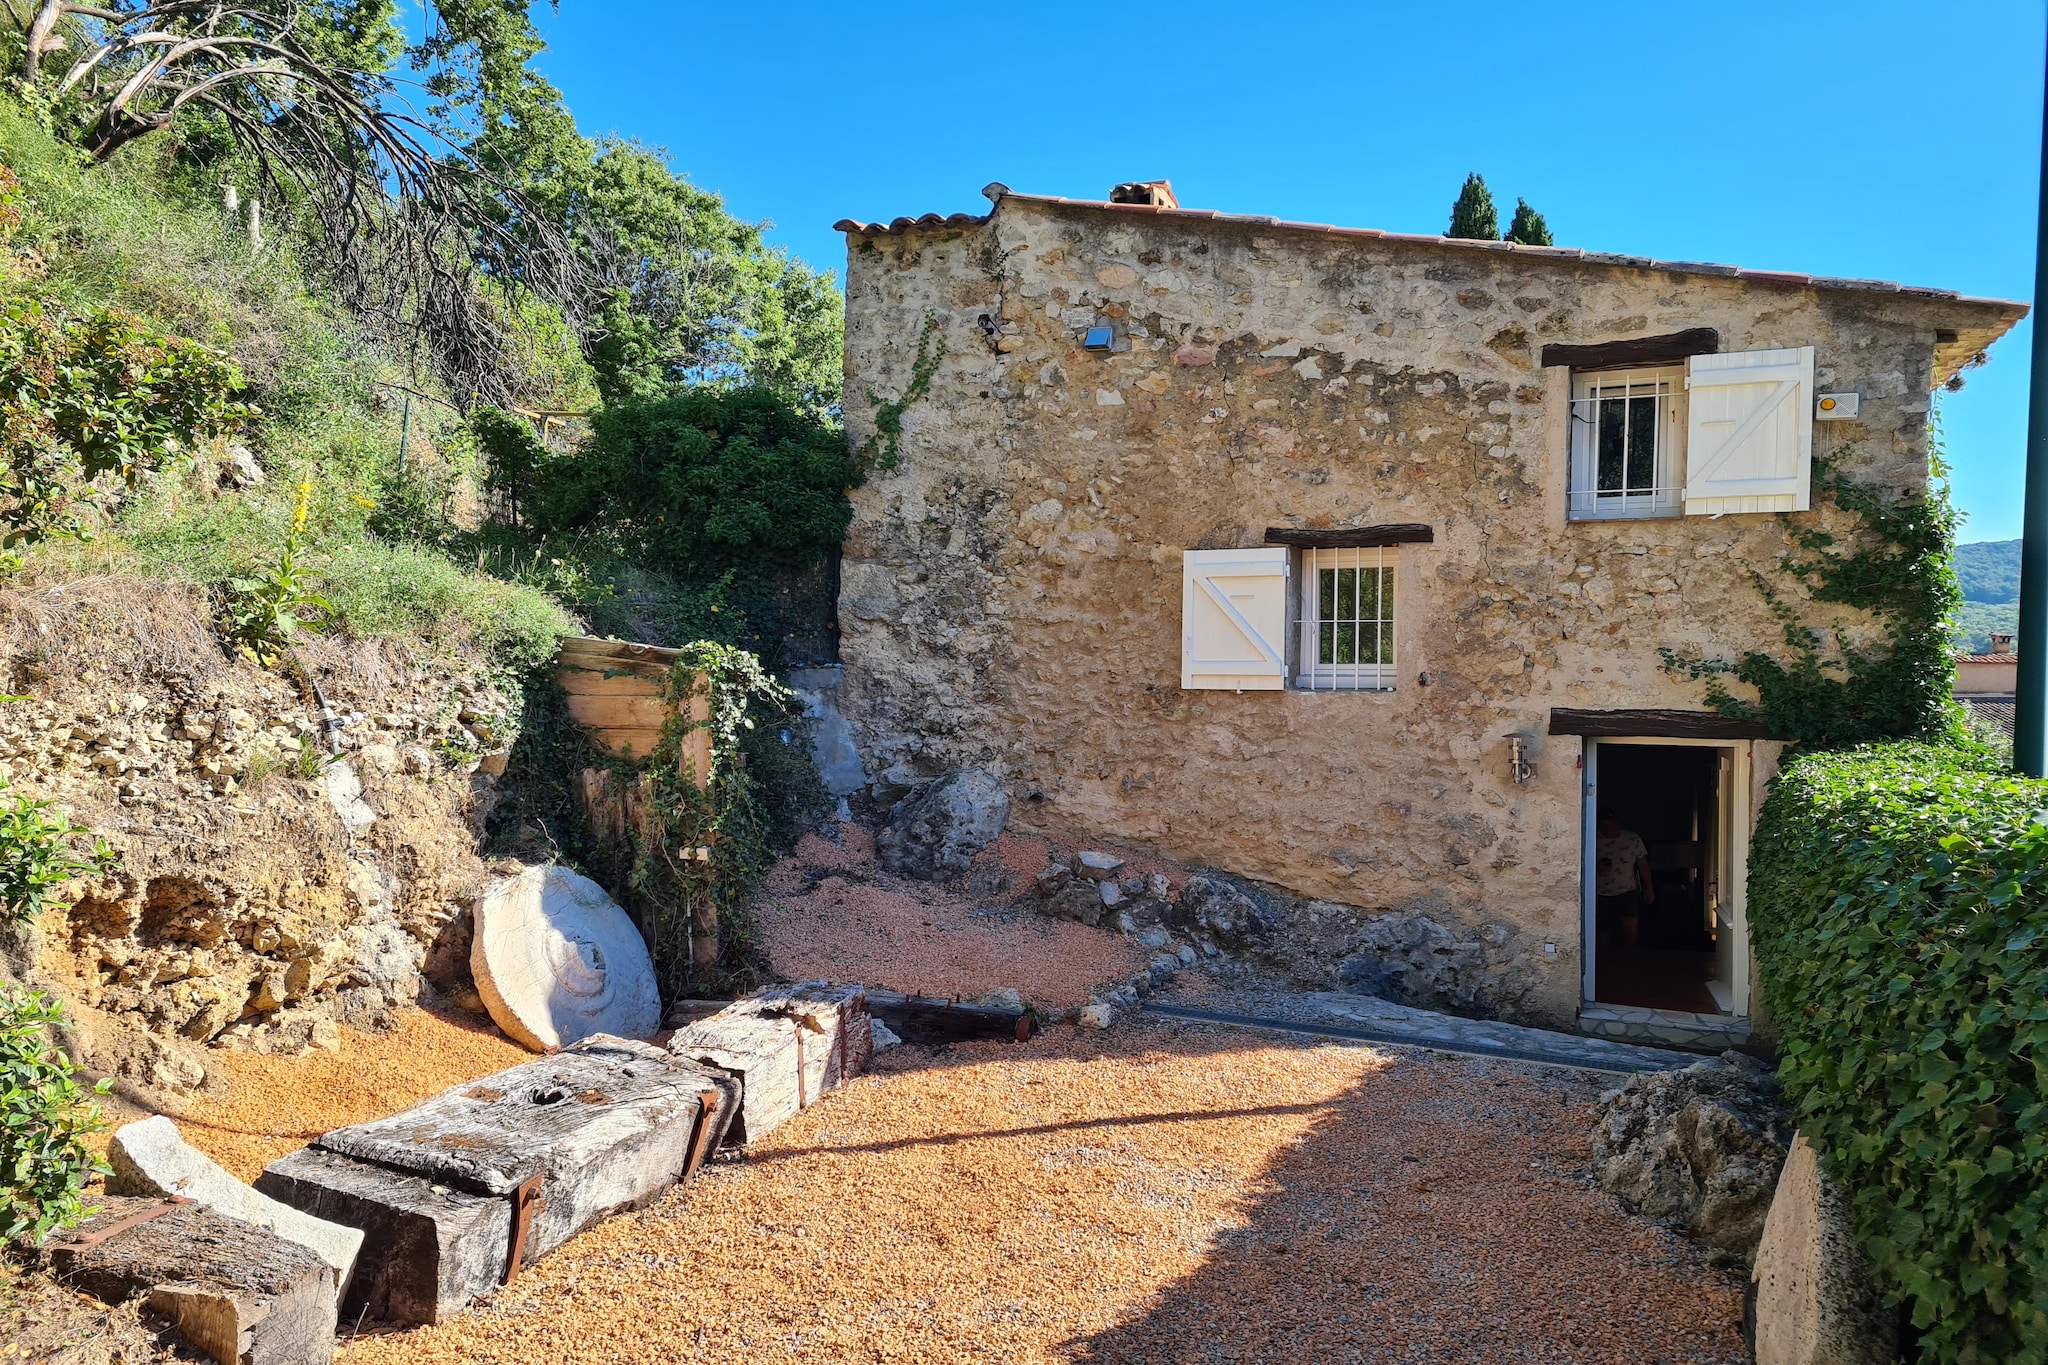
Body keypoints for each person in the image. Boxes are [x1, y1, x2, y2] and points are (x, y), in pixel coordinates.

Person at [1595, 811, 1654, 946]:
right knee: (1603, 933)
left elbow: (1643, 865)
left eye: (1612, 826)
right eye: (1605, 827)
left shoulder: (1632, 839)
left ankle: (1632, 961)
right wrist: (1596, 867)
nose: (1609, 830)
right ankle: (1605, 963)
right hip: (1600, 892)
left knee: (1630, 929)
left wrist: (1649, 888)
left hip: (1628, 891)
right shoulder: (1593, 839)